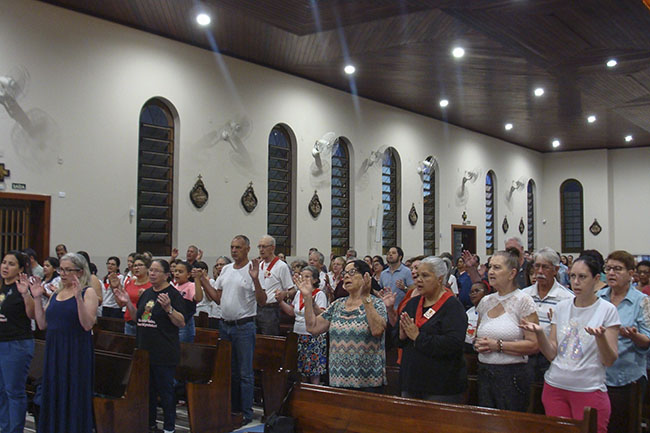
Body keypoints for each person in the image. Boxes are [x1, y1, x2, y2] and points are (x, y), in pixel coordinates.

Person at [520, 255, 620, 433]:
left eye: (582, 277)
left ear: (596, 279)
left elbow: (609, 360)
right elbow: (552, 354)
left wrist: (601, 338)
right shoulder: (562, 307)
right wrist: (540, 334)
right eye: (572, 276)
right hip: (556, 386)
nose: (576, 282)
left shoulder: (607, 310)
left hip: (588, 388)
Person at [114, 259, 185, 433]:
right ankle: (150, 424)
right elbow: (138, 318)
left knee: (166, 391)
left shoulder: (173, 294)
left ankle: (169, 427)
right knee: (148, 391)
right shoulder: (146, 294)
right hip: (145, 351)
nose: (152, 274)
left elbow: (181, 322)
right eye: (151, 270)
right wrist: (128, 303)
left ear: (167, 274)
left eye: (156, 271)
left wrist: (168, 308)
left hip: (164, 352)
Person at [31, 253, 98, 433]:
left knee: (73, 394)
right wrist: (37, 298)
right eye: (62, 269)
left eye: (69, 270)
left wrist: (77, 299)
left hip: (75, 350)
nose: (63, 273)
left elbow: (87, 324)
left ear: (80, 271)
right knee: (54, 393)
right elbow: (42, 323)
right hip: (55, 350)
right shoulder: (56, 293)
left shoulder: (87, 292)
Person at [203, 235, 266, 426]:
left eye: (238, 247)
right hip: (225, 325)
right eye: (232, 247)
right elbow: (218, 298)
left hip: (244, 326)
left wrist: (255, 280)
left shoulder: (254, 270)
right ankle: (233, 408)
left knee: (245, 372)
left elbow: (262, 301)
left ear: (247, 249)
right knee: (229, 371)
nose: (234, 250)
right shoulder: (227, 270)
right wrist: (203, 281)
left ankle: (246, 413)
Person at [303, 260, 387, 392]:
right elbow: (313, 327)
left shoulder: (376, 304)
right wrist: (307, 298)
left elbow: (377, 331)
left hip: (367, 383)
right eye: (345, 273)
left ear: (365, 277)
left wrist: (366, 298)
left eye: (352, 272)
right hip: (338, 380)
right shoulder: (338, 304)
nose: (346, 276)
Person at [474, 250, 539, 412]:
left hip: (511, 375)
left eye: (497, 267)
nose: (491, 272)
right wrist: (478, 344)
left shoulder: (523, 301)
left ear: (512, 273)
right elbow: (478, 335)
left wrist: (498, 345)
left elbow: (534, 344)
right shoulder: (485, 301)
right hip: (485, 372)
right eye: (490, 267)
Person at [399, 256, 468, 402]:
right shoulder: (413, 303)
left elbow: (453, 343)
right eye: (417, 276)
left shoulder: (452, 307)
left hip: (440, 385)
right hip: (412, 381)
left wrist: (418, 337)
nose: (418, 280)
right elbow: (399, 340)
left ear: (439, 279)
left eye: (425, 276)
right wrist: (401, 336)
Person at [598, 250, 650, 422]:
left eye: (618, 269)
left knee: (624, 424)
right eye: (609, 268)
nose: (611, 273)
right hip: (599, 375)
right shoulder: (599, 298)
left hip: (628, 376)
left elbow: (647, 341)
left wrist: (634, 336)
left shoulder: (641, 301)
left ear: (631, 274)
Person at [522, 247, 574, 381]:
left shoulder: (566, 298)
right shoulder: (524, 295)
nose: (539, 272)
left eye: (545, 267)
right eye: (537, 266)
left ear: (556, 270)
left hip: (551, 358)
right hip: (526, 355)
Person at [0, 251, 35, 433]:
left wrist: (26, 294)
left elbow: (32, 314)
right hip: (1, 342)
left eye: (11, 264)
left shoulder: (22, 288)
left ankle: (14, 430)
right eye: (4, 262)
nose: (5, 267)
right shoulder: (2, 288)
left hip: (16, 343)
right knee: (1, 392)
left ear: (21, 269)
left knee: (14, 391)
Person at [278, 265, 328, 384]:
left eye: (307, 276)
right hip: (298, 334)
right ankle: (302, 394)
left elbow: (322, 314)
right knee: (301, 369)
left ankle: (314, 393)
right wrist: (280, 301)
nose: (303, 279)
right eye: (302, 276)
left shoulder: (319, 294)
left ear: (315, 280)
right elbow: (292, 312)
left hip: (313, 336)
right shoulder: (298, 294)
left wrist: (311, 302)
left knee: (313, 370)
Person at [256, 235, 294, 335]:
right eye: (259, 247)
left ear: (272, 248)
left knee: (269, 342)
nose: (261, 250)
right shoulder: (260, 265)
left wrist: (284, 294)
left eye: (264, 247)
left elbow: (292, 290)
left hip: (271, 309)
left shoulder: (281, 266)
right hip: (257, 308)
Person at [112, 254, 152, 336]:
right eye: (135, 266)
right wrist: (115, 288)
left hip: (145, 323)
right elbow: (121, 304)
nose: (137, 268)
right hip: (129, 322)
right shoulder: (130, 283)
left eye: (140, 265)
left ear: (147, 268)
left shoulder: (151, 284)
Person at [173, 260, 203, 342]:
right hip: (175, 322)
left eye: (180, 272)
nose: (177, 274)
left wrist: (197, 279)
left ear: (188, 274)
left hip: (185, 324)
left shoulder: (191, 286)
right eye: (175, 271)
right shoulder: (174, 287)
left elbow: (198, 298)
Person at [194, 260, 223, 329]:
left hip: (206, 310)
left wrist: (205, 284)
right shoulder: (194, 282)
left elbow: (210, 299)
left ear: (205, 271)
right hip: (196, 310)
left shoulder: (211, 281)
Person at [465, 281, 489, 352]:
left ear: (486, 293)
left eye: (477, 291)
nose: (473, 294)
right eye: (471, 292)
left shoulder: (491, 312)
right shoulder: (469, 312)